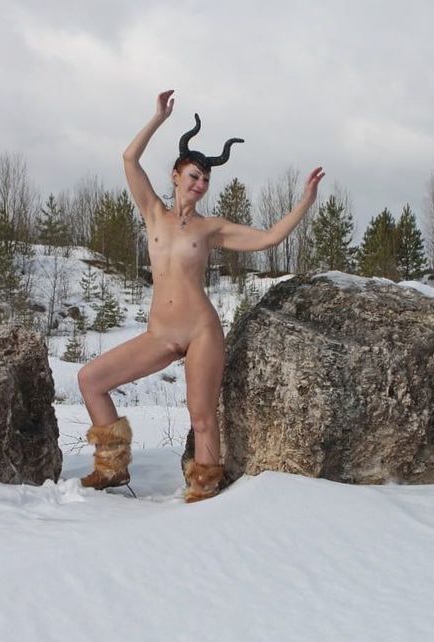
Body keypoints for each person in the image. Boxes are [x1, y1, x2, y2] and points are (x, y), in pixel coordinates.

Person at [78, 89, 324, 502]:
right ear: (176, 176)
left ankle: (204, 491)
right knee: (90, 379)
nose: (201, 184)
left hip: (200, 332)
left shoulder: (211, 228)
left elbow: (268, 239)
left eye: (206, 179)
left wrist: (305, 202)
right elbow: (129, 159)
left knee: (202, 416)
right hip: (160, 334)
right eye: (194, 176)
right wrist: (159, 118)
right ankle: (112, 467)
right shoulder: (153, 213)